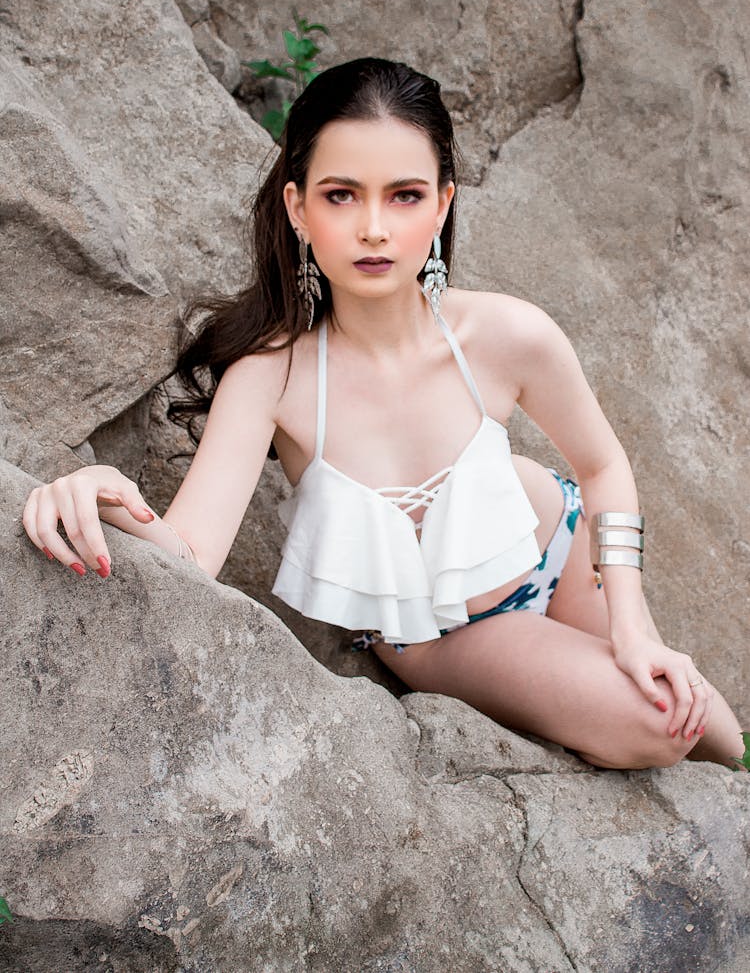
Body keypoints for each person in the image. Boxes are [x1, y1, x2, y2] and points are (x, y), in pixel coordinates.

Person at [22, 58, 745, 772]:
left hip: (558, 541)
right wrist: (97, 492)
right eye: (342, 195)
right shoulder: (272, 375)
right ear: (298, 207)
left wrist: (630, 623)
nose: (374, 228)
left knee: (715, 728)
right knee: (658, 722)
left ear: (442, 203)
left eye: (404, 195)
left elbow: (603, 466)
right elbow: (190, 556)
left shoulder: (507, 334)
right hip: (440, 633)